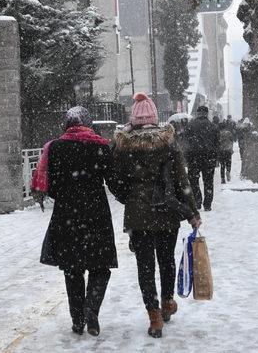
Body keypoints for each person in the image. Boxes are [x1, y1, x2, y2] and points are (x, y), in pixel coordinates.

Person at [109, 93, 201, 338]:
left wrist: (127, 196)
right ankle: (168, 301)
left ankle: (154, 316)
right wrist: (192, 211)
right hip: (166, 211)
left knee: (145, 266)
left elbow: (114, 180)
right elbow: (183, 180)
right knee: (166, 260)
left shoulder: (123, 146)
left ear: (134, 118)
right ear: (155, 117)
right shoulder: (168, 143)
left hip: (138, 213)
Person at [33, 106, 117, 337]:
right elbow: (114, 180)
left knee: (73, 269)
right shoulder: (100, 146)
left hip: (66, 215)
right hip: (96, 213)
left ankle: (77, 319)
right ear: (89, 123)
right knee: (100, 266)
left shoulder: (56, 148)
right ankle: (92, 310)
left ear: (66, 124)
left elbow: (51, 186)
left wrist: (66, 195)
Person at [185, 105, 219, 211]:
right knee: (208, 181)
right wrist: (215, 157)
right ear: (207, 113)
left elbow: (186, 142)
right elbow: (217, 144)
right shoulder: (213, 127)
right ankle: (207, 204)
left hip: (193, 157)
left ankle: (197, 201)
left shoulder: (190, 126)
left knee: (194, 180)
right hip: (209, 157)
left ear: (197, 113)